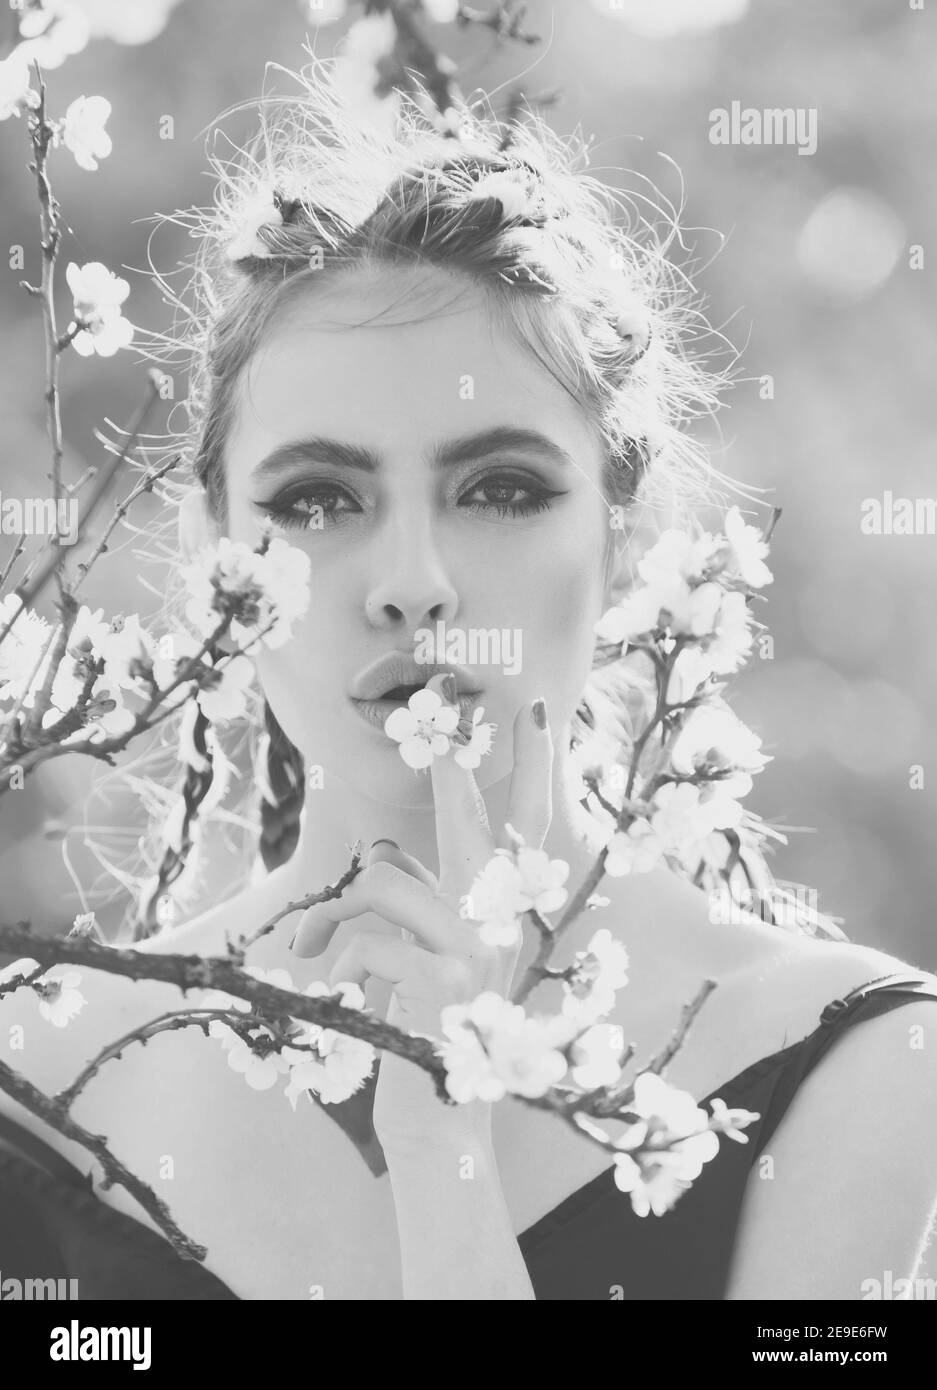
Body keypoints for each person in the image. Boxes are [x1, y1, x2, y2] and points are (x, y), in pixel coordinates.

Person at [1, 65, 936, 1302]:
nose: (412, 583)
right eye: (317, 499)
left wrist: (447, 1167)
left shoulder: (856, 1066)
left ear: (623, 533)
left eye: (497, 488)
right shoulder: (46, 1084)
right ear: (210, 556)